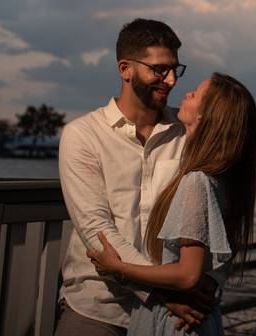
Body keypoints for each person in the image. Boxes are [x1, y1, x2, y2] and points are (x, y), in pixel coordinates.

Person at [56, 19, 217, 336]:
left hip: (177, 313)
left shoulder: (188, 135)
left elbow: (215, 215)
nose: (170, 80)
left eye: (174, 69)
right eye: (159, 69)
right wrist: (162, 293)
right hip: (100, 306)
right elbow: (97, 229)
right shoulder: (82, 135)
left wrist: (209, 282)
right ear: (125, 69)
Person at [87, 73, 256, 336]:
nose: (187, 93)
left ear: (204, 116)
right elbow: (216, 258)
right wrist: (211, 282)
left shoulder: (196, 182)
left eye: (196, 94)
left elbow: (187, 275)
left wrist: (118, 268)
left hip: (172, 321)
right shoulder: (221, 179)